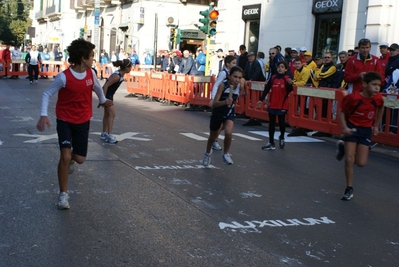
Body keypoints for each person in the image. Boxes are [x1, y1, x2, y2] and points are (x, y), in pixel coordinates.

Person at [36, 38, 113, 210]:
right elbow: (47, 94)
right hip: (64, 119)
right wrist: (43, 115)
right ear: (83, 58)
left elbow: (97, 88)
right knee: (64, 155)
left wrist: (102, 100)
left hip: (83, 120)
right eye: (92, 56)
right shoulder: (64, 77)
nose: (94, 59)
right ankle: (63, 194)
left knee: (79, 159)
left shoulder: (91, 73)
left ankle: (70, 160)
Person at [335, 72, 384, 201]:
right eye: (374, 85)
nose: (377, 88)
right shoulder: (353, 98)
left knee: (361, 163)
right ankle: (349, 188)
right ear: (364, 84)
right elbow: (341, 112)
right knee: (349, 160)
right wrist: (345, 128)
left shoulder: (378, 98)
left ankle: (342, 148)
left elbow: (381, 108)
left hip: (366, 130)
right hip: (352, 128)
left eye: (379, 85)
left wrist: (376, 125)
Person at [202, 66, 245, 166]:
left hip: (229, 112)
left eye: (239, 77)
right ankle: (207, 153)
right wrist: (225, 102)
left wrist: (245, 90)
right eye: (235, 77)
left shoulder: (239, 84)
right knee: (213, 136)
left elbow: (244, 83)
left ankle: (226, 153)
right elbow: (215, 103)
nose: (237, 80)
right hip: (218, 112)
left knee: (228, 132)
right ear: (229, 76)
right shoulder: (223, 85)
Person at [257, 61, 293, 150]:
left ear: (285, 69)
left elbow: (289, 90)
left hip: (282, 105)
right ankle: (271, 142)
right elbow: (267, 89)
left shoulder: (287, 78)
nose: (280, 68)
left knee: (281, 124)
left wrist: (290, 84)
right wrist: (261, 100)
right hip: (272, 104)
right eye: (279, 67)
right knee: (271, 124)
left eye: (282, 67)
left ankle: (281, 137)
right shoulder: (273, 78)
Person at [208, 55, 238, 151]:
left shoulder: (234, 75)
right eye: (233, 63)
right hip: (220, 100)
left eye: (235, 63)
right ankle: (214, 140)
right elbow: (217, 85)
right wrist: (213, 98)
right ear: (227, 64)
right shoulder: (223, 73)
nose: (234, 65)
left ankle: (215, 139)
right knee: (220, 125)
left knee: (226, 124)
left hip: (227, 103)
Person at [101, 59, 132, 144]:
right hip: (108, 95)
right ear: (126, 68)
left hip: (109, 95)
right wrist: (103, 99)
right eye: (130, 67)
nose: (131, 69)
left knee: (107, 114)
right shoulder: (117, 76)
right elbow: (105, 85)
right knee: (112, 114)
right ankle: (109, 135)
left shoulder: (120, 74)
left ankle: (104, 133)